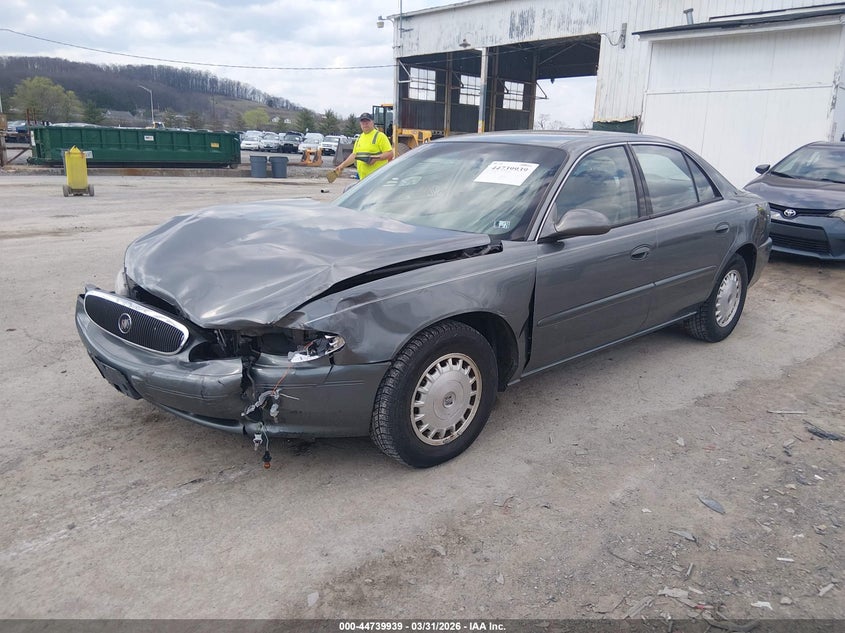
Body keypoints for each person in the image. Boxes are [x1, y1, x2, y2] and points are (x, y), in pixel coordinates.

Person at [332, 113, 393, 180]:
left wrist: (376, 158)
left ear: (372, 122)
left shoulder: (380, 136)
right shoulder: (359, 138)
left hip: (378, 179)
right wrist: (341, 166)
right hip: (363, 180)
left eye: (367, 122)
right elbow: (354, 155)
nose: (365, 124)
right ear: (360, 124)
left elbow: (390, 153)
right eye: (363, 122)